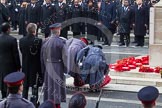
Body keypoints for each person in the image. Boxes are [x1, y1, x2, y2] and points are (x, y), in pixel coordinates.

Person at [41, 23, 67, 108]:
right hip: (58, 66)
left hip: (48, 66)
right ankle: (57, 105)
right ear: (58, 31)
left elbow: (43, 57)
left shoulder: (45, 41)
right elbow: (65, 57)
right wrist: (65, 69)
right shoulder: (61, 42)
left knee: (49, 88)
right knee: (57, 88)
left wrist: (45, 67)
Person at [19, 23, 43, 99]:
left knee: (25, 88)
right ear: (35, 30)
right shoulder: (39, 40)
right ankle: (34, 103)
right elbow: (40, 55)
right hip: (35, 67)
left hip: (25, 66)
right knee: (34, 87)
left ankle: (24, 102)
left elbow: (22, 51)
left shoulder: (22, 40)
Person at [0, 23, 21, 98]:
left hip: (1, 64)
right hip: (10, 65)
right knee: (10, 82)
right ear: (8, 29)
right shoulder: (12, 39)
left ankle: (3, 97)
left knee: (2, 81)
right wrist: (18, 66)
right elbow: (15, 55)